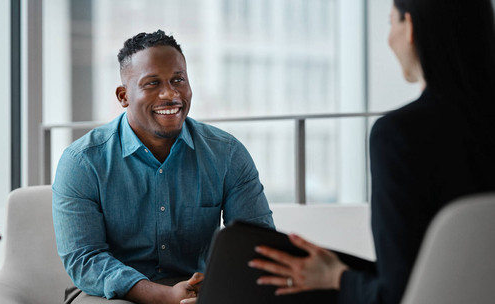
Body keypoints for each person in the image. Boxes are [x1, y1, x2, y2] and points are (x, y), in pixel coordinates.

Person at [248, 0, 495, 303]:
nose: (389, 37)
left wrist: (336, 277)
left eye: (391, 23)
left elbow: (397, 295)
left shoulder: (400, 136)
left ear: (410, 28)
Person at [52, 30, 275, 304]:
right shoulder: (82, 162)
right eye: (152, 83)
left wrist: (221, 284)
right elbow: (84, 259)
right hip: (112, 295)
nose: (170, 94)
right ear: (124, 96)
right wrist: (164, 296)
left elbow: (257, 248)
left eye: (178, 80)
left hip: (198, 291)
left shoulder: (227, 154)